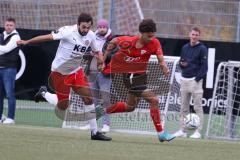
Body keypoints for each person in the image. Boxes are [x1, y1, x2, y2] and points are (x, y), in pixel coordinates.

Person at [17, 13, 111, 141]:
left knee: (88, 99)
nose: (86, 30)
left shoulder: (90, 35)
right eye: (83, 27)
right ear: (78, 24)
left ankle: (95, 132)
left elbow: (97, 51)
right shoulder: (67, 31)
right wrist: (27, 41)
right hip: (60, 73)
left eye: (88, 27)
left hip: (76, 71)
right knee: (63, 106)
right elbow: (47, 37)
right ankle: (44, 93)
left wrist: (101, 60)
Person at [97, 19, 176, 142]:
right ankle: (161, 133)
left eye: (153, 35)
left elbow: (161, 59)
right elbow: (112, 42)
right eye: (149, 36)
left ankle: (102, 110)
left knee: (130, 106)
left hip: (141, 77)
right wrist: (103, 59)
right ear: (141, 33)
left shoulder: (154, 42)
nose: (151, 38)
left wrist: (164, 66)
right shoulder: (128, 41)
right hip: (129, 77)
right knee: (154, 99)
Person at [173, 26, 208, 139]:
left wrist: (196, 80)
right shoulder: (185, 47)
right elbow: (182, 62)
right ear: (189, 35)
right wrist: (182, 64)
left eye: (196, 35)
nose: (194, 37)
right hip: (184, 80)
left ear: (199, 36)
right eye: (193, 34)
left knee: (197, 107)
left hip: (195, 81)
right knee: (183, 107)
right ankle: (182, 130)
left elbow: (205, 67)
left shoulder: (202, 48)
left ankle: (198, 132)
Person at [80, 19, 113, 132]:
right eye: (100, 27)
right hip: (92, 72)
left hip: (105, 74)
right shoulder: (90, 38)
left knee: (105, 99)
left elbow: (115, 55)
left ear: (107, 28)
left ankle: (106, 124)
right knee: (93, 100)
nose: (102, 29)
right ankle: (92, 124)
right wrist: (89, 54)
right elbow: (85, 53)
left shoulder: (112, 40)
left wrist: (103, 56)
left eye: (104, 27)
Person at [0, 18, 21, 124]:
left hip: (9, 69)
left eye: (11, 25)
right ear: (4, 25)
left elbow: (5, 49)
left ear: (14, 26)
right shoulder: (1, 36)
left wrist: (1, 49)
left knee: (9, 94)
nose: (8, 27)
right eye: (7, 25)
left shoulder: (16, 37)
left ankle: (10, 118)